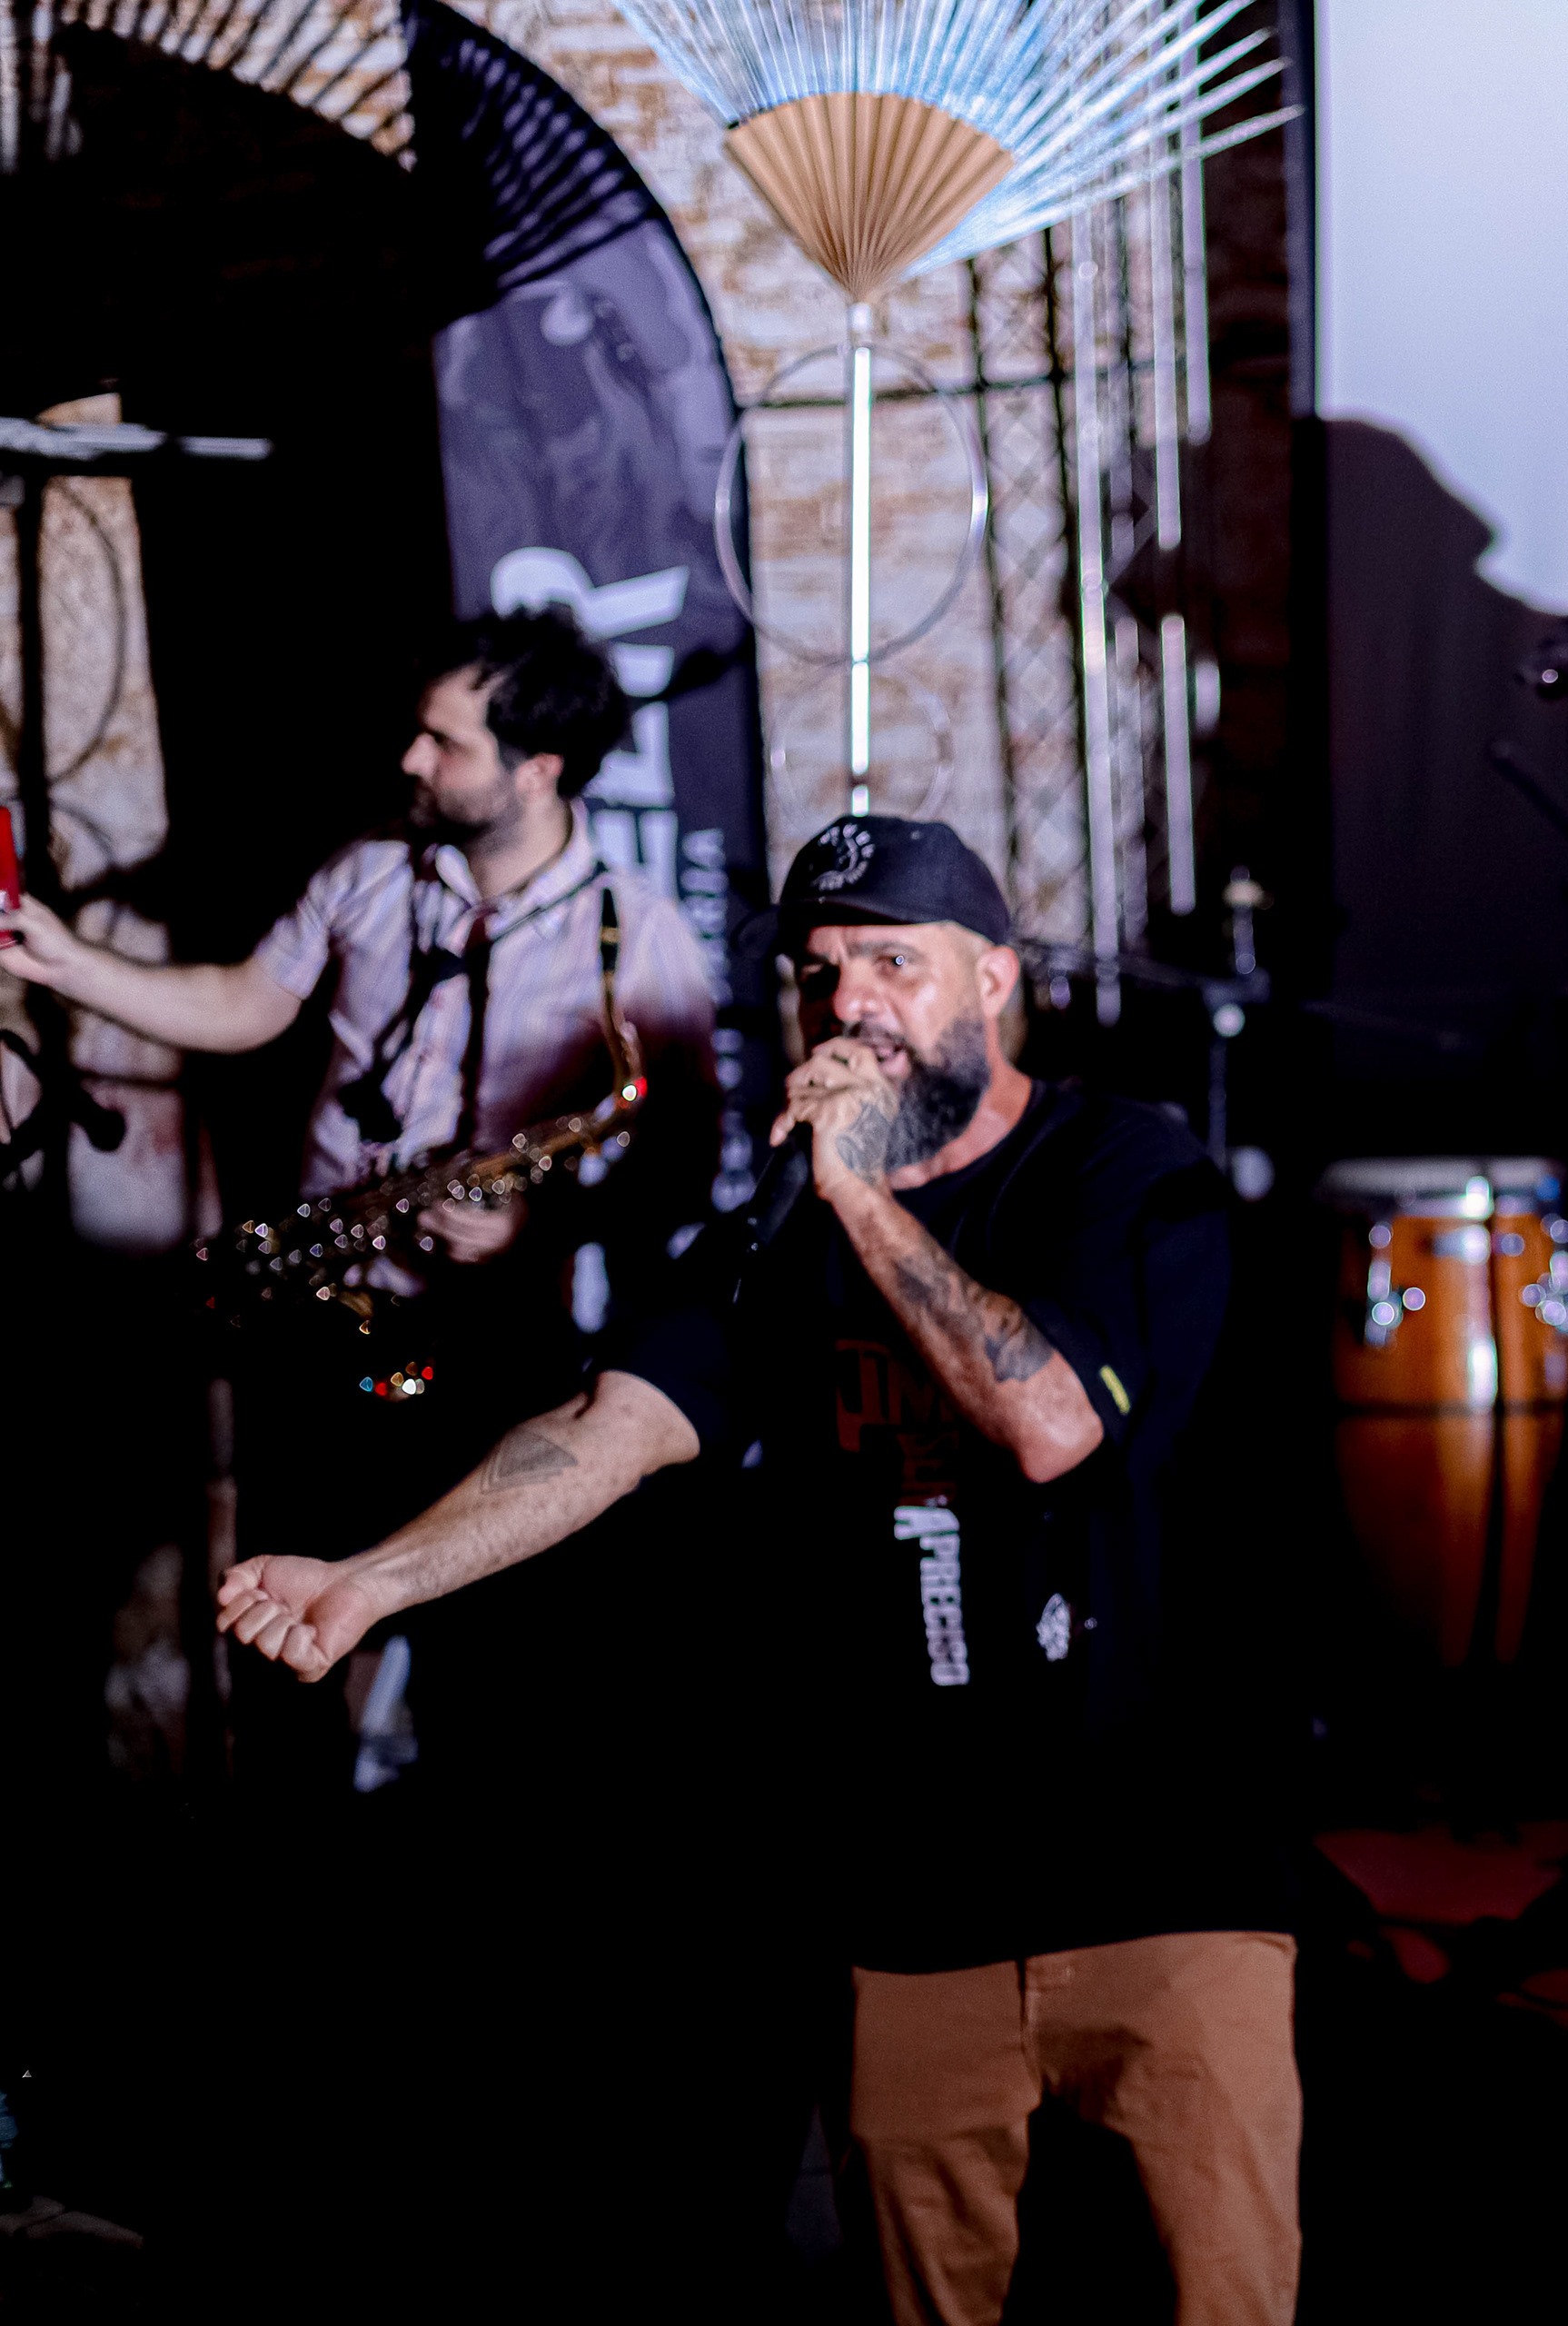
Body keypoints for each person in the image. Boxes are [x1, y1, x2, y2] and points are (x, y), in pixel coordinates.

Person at [213, 814, 1293, 2326]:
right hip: (915, 1907)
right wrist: (377, 1579)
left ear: (994, 980)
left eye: (893, 964)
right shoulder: (779, 1238)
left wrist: (862, 1197)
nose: (848, 1005)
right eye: (816, 972)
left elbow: (1052, 1424)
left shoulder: (1124, 1168)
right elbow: (603, 1430)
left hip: (1161, 1879)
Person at [0, 606, 717, 1787]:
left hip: (489, 1361)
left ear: (538, 770)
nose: (410, 758)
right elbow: (248, 1003)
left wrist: (539, 1223)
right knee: (276, 1639)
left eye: (445, 743)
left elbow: (684, 1167)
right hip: (321, 1329)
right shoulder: (371, 868)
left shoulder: (637, 941)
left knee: (488, 1679)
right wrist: (70, 963)